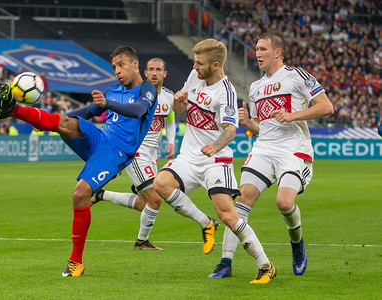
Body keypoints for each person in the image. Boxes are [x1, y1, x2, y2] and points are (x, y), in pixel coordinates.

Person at [0, 45, 157, 277]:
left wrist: (107, 105)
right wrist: (47, 122)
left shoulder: (147, 89)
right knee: (65, 122)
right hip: (101, 139)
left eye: (121, 65)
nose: (117, 71)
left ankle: (76, 262)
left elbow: (138, 111)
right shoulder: (113, 90)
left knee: (80, 194)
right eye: (114, 67)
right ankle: (13, 109)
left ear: (135, 64)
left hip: (117, 152)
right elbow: (88, 112)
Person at [208, 31, 334, 279]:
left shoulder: (297, 76)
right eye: (256, 49)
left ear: (277, 52)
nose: (258, 53)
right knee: (240, 203)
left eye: (263, 49)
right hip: (264, 148)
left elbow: (326, 106)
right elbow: (260, 126)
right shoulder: (255, 87)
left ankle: (297, 243)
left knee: (284, 203)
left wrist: (292, 115)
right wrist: (247, 122)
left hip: (293, 149)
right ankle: (225, 262)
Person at [153, 38, 276, 283]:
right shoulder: (195, 76)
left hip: (216, 161)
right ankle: (204, 222)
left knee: (229, 216)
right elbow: (179, 110)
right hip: (188, 157)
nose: (195, 67)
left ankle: (265, 265)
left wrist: (215, 145)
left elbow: (231, 130)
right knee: (161, 183)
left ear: (216, 64)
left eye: (199, 63)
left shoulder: (226, 93)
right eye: (195, 62)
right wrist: (178, 104)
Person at [89, 57, 176, 250]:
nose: (154, 73)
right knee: (155, 198)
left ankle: (102, 195)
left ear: (164, 73)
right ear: (145, 72)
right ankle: (142, 241)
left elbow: (170, 120)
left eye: (158, 70)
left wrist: (170, 142)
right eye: (151, 69)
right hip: (136, 151)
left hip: (151, 153)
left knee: (143, 203)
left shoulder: (168, 96)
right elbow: (118, 122)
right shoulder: (138, 94)